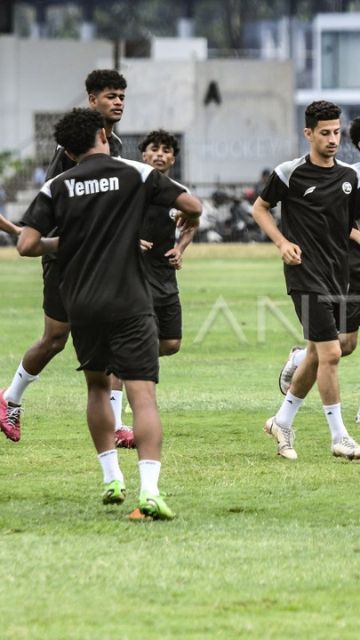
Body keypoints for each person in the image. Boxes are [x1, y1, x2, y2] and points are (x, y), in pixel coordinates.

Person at [15, 108, 202, 519]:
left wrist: (63, 243)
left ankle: (111, 479)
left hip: (82, 303)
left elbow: (27, 245)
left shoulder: (57, 185)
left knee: (98, 389)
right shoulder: (135, 172)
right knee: (142, 395)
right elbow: (192, 204)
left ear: (66, 148)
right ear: (104, 133)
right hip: (129, 300)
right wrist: (189, 216)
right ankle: (149, 491)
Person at [1, 69, 132, 445]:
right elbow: (57, 202)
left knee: (116, 331)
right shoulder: (73, 148)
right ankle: (10, 398)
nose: (118, 102)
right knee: (54, 339)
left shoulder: (116, 145)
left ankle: (117, 422)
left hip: (99, 258)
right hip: (65, 258)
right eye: (110, 96)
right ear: (92, 100)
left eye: (122, 95)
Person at [252, 100, 360, 462]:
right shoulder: (290, 172)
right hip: (303, 274)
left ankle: (281, 421)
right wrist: (282, 242)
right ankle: (340, 436)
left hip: (337, 275)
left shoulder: (351, 177)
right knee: (332, 352)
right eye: (324, 133)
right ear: (308, 134)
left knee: (315, 354)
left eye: (336, 132)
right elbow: (260, 208)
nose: (332, 139)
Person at [277, 111, 360, 426]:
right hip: (345, 271)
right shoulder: (350, 176)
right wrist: (359, 236)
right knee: (345, 345)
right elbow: (336, 219)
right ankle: (300, 357)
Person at [138, 130, 196, 358]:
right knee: (138, 337)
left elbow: (191, 226)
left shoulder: (181, 194)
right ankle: (117, 391)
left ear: (173, 158)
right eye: (154, 149)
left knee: (171, 343)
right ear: (144, 156)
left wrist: (180, 248)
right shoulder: (132, 187)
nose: (159, 155)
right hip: (135, 273)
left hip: (165, 275)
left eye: (166, 151)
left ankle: (124, 358)